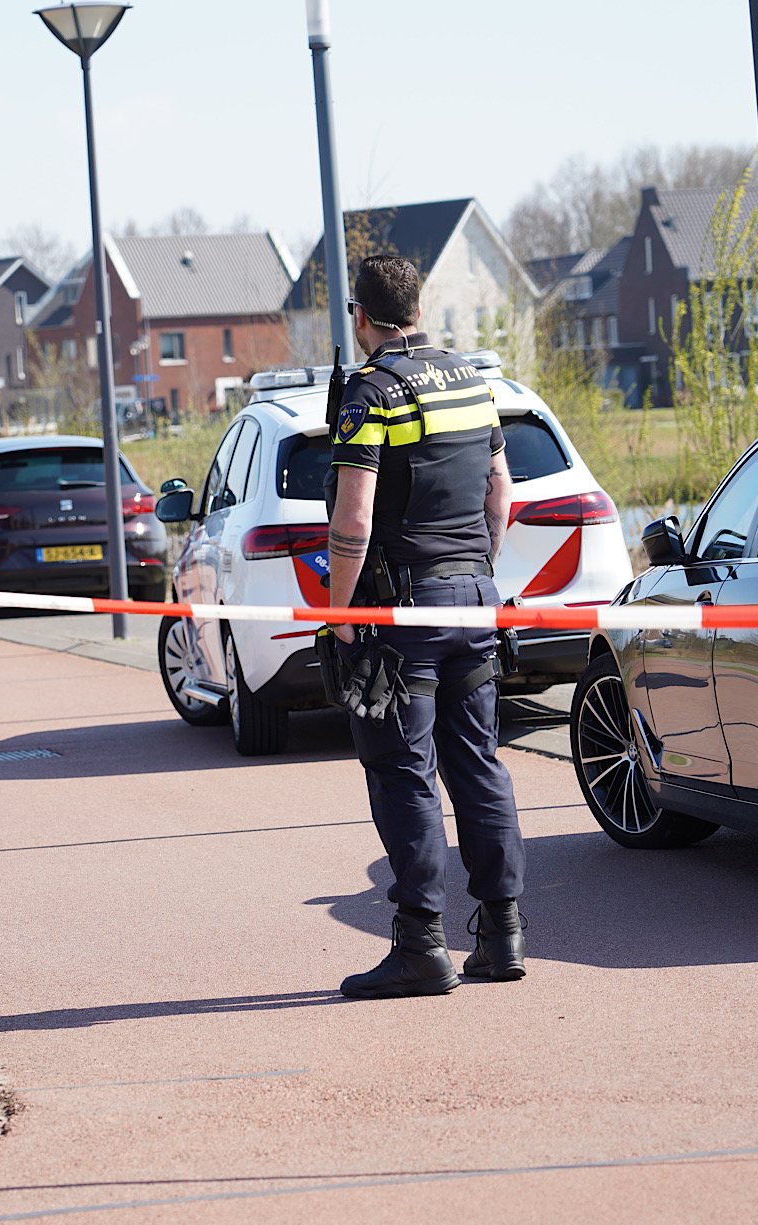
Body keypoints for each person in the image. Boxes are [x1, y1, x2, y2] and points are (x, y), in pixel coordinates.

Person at [325, 254, 527, 999]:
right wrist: (478, 569)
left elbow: (354, 516)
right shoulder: (473, 382)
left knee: (404, 773)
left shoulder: (372, 393)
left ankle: (420, 946)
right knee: (478, 764)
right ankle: (502, 934)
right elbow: (500, 491)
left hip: (401, 609)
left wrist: (345, 614)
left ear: (361, 316)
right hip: (475, 598)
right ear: (417, 305)